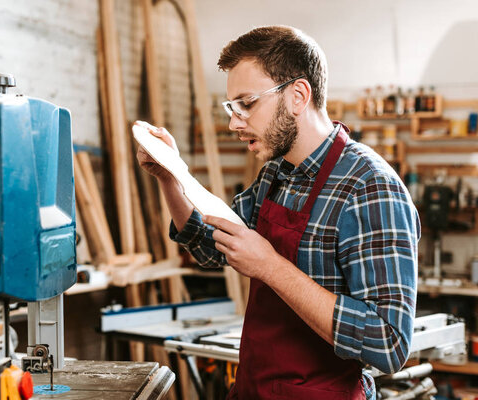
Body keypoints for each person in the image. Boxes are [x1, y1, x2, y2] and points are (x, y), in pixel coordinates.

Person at [136, 25, 419, 400]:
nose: (235, 122)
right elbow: (207, 245)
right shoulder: (275, 174)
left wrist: (269, 266)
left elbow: (388, 343)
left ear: (298, 95)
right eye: (231, 108)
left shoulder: (370, 188)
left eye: (247, 104)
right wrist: (170, 176)